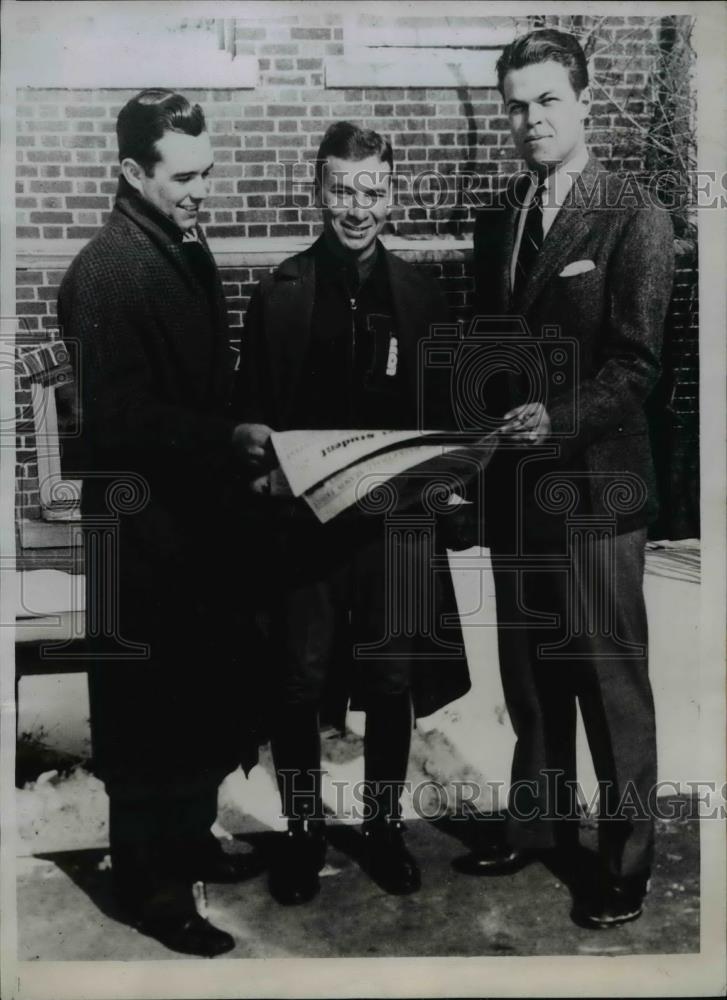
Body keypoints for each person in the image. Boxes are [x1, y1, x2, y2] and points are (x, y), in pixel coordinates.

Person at [455, 29, 675, 928]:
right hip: (518, 491)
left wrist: (559, 416)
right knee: (531, 672)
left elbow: (635, 365)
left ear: (584, 99)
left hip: (595, 490)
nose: (529, 120)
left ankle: (623, 861)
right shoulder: (501, 215)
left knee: (607, 681)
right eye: (515, 104)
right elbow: (486, 351)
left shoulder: (635, 214)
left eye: (546, 100)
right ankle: (540, 827)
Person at [235, 121, 471, 905]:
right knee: (299, 685)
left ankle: (381, 827)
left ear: (392, 193)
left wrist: (447, 484)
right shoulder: (281, 291)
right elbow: (250, 411)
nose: (357, 207)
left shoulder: (421, 294)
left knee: (392, 679)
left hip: (395, 530)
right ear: (317, 191)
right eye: (342, 189)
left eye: (373, 190)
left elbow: (445, 415)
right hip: (307, 530)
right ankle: (303, 832)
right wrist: (253, 445)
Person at [58, 89, 269, 956]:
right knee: (148, 712)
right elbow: (119, 421)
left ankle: (183, 842)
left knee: (194, 695)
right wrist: (226, 437)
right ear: (130, 171)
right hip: (138, 536)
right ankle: (149, 886)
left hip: (191, 523)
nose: (200, 191)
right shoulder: (107, 271)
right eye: (183, 177)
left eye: (206, 173)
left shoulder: (177, 243)